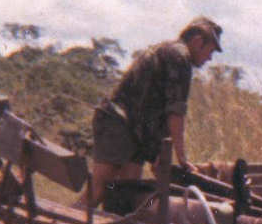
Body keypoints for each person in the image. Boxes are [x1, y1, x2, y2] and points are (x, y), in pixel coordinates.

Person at [85, 17, 223, 208]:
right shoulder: (179, 57)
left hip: (132, 131)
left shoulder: (169, 51)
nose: (210, 58)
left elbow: (154, 108)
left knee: (125, 197)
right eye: (211, 50)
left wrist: (157, 152)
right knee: (98, 191)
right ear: (198, 42)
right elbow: (175, 113)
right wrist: (182, 158)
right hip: (118, 123)